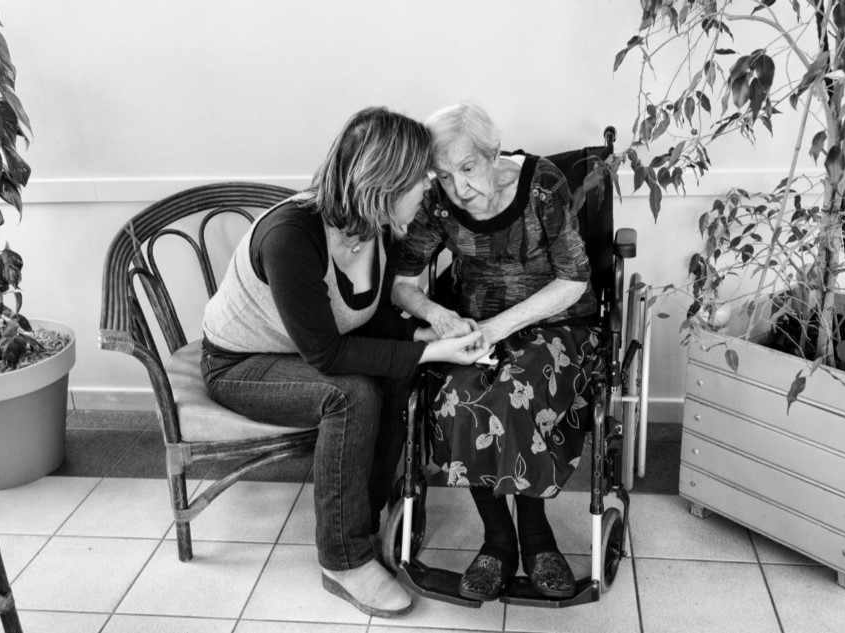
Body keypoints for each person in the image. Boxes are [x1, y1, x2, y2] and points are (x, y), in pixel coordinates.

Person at [200, 107, 489, 618]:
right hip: (239, 363)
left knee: (397, 373)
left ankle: (371, 517)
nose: (430, 191)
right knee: (351, 394)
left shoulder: (374, 229)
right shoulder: (292, 235)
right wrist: (432, 347)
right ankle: (343, 558)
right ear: (385, 183)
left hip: (300, 351)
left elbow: (372, 326)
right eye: (422, 181)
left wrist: (436, 330)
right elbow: (327, 354)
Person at [391, 102, 602, 601]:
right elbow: (402, 284)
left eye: (467, 169)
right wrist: (439, 317)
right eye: (443, 175)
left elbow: (574, 279)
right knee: (454, 399)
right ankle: (498, 541)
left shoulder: (542, 184)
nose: (459, 188)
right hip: (472, 325)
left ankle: (536, 537)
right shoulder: (438, 204)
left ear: (491, 153)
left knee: (517, 394)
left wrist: (499, 326)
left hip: (558, 323)